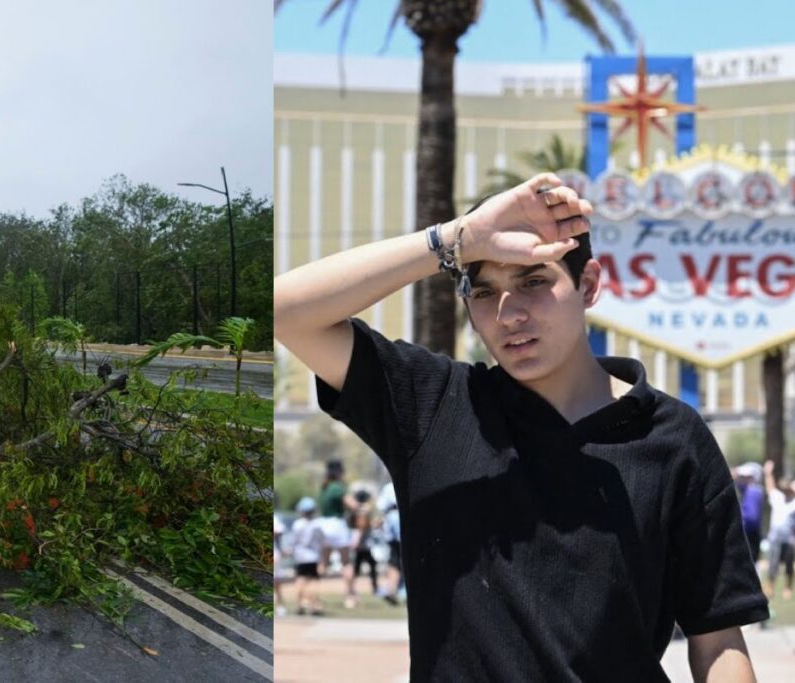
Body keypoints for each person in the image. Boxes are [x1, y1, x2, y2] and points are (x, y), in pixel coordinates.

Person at [275, 173, 768, 681]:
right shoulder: (433, 405)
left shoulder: (673, 436)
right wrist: (453, 238)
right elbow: (286, 311)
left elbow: (718, 639)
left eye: (534, 282)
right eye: (484, 291)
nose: (509, 313)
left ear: (589, 284)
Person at [318, 459, 358, 608]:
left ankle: (313, 595)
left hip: (322, 524)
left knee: (323, 562)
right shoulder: (338, 487)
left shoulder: (324, 487)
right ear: (338, 472)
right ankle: (350, 597)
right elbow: (352, 505)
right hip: (336, 524)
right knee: (346, 562)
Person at [763, 460, 795, 600]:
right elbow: (770, 487)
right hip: (775, 537)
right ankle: (770, 585)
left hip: (789, 538)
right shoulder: (777, 498)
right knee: (773, 563)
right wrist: (768, 473)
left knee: (789, 564)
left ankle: (788, 587)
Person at [291, 496, 326, 616]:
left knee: (300, 581)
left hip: (300, 557)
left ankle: (299, 605)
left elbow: (294, 541)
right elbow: (322, 541)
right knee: (313, 582)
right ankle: (314, 606)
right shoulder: (317, 524)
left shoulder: (297, 524)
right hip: (313, 557)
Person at [735, 462, 766, 562]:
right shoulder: (750, 491)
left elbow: (751, 518)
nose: (739, 478)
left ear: (752, 478)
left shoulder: (753, 492)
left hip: (749, 536)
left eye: (743, 477)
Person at [349, 495, 379, 597]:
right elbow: (361, 528)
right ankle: (352, 589)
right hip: (362, 547)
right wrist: (356, 543)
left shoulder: (360, 510)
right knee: (358, 568)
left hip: (363, 547)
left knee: (362, 567)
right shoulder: (362, 511)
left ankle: (353, 589)